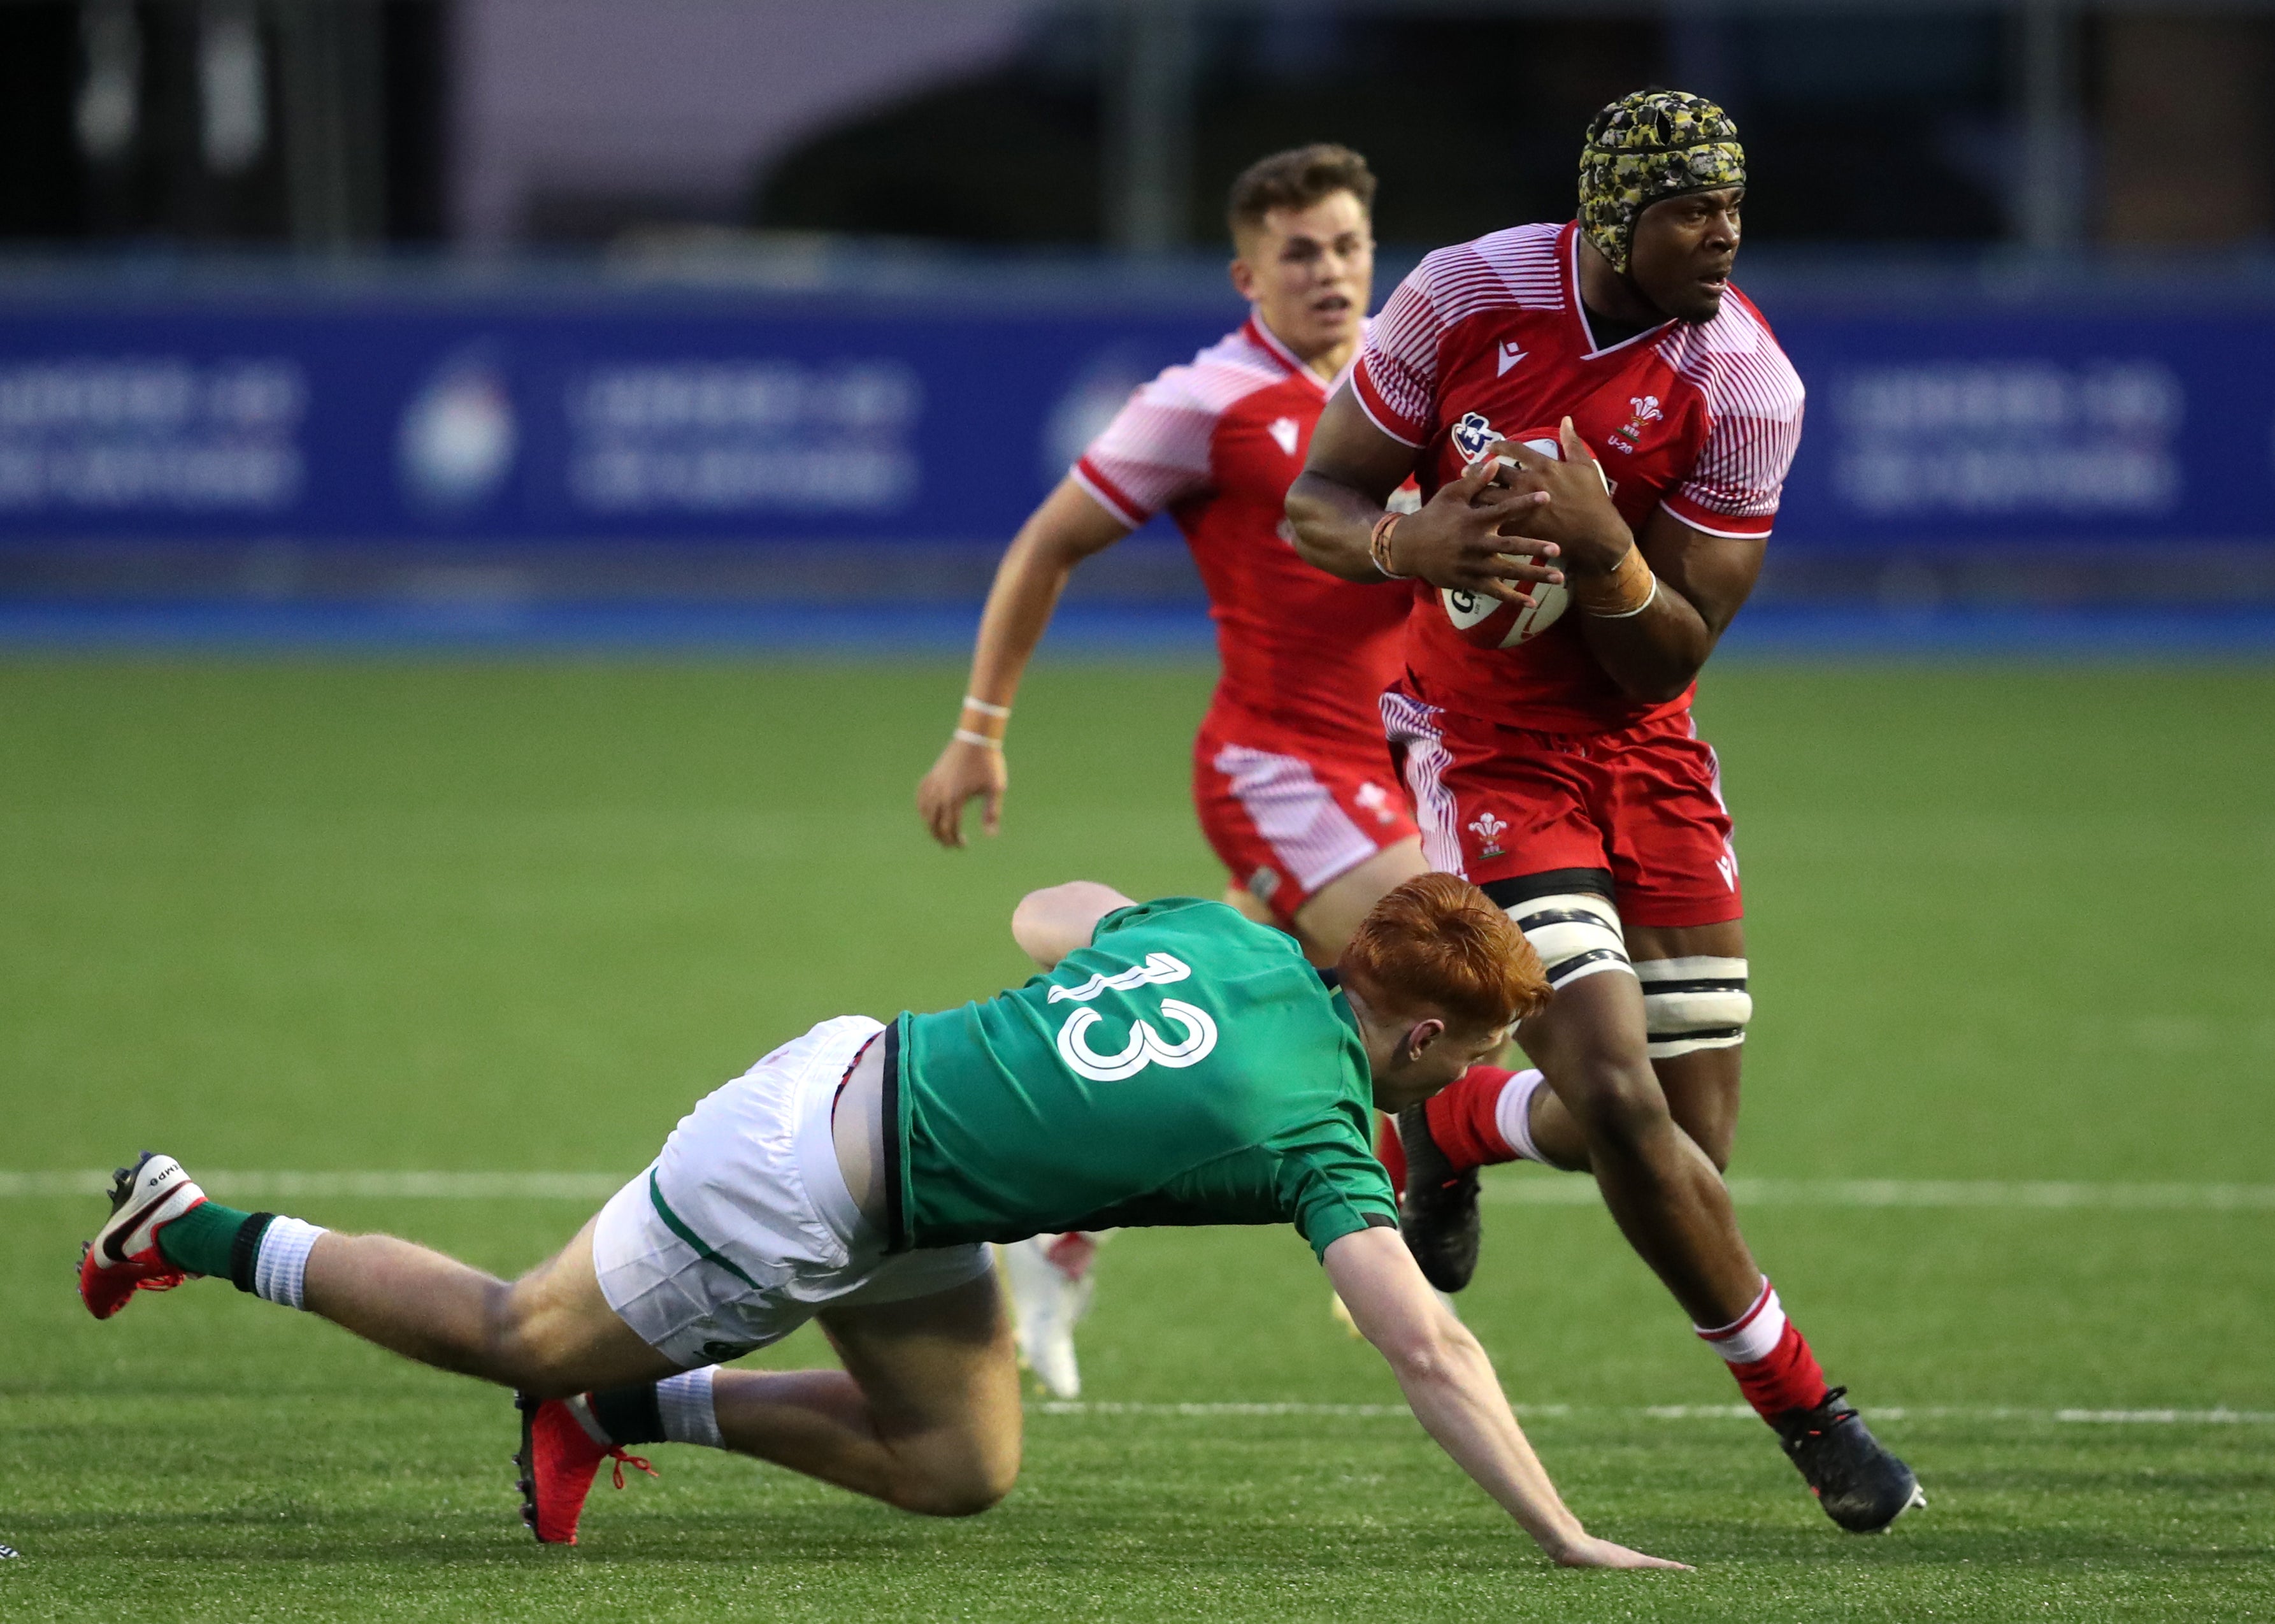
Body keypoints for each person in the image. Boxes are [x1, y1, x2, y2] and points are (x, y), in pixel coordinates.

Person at [78, 873, 1683, 1571]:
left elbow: (1046, 911)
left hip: (894, 1124)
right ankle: (191, 1223)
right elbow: (1427, 1342)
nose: (1467, 1079)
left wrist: (1103, 979)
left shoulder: (1238, 938)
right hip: (796, 1179)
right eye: (1472, 1056)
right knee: (515, 1331)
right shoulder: (1322, 1124)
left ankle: (621, 1411)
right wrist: (1561, 1532)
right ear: (1413, 1037)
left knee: (959, 1471)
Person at [1283, 90, 1923, 1534]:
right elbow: (1318, 500)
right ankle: (1814, 1416)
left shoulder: (1748, 382)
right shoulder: (1463, 295)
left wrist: (1604, 552)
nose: (1724, 236)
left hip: (1647, 756)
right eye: (1693, 210)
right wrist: (1411, 538)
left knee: (1659, 1144)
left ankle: (1450, 1127)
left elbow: (1676, 651)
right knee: (1625, 1099)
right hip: (1484, 751)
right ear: (1613, 214)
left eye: (1734, 208)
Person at [917, 144, 1498, 1395]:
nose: (1331, 273)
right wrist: (980, 726)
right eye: (1300, 253)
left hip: (1399, 762)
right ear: (1249, 273)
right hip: (1278, 767)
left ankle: (1059, 1224)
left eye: (1348, 246)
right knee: (1447, 984)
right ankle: (1407, 1206)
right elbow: (1046, 544)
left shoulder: (1411, 385)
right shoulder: (1206, 401)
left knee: (1235, 1031)